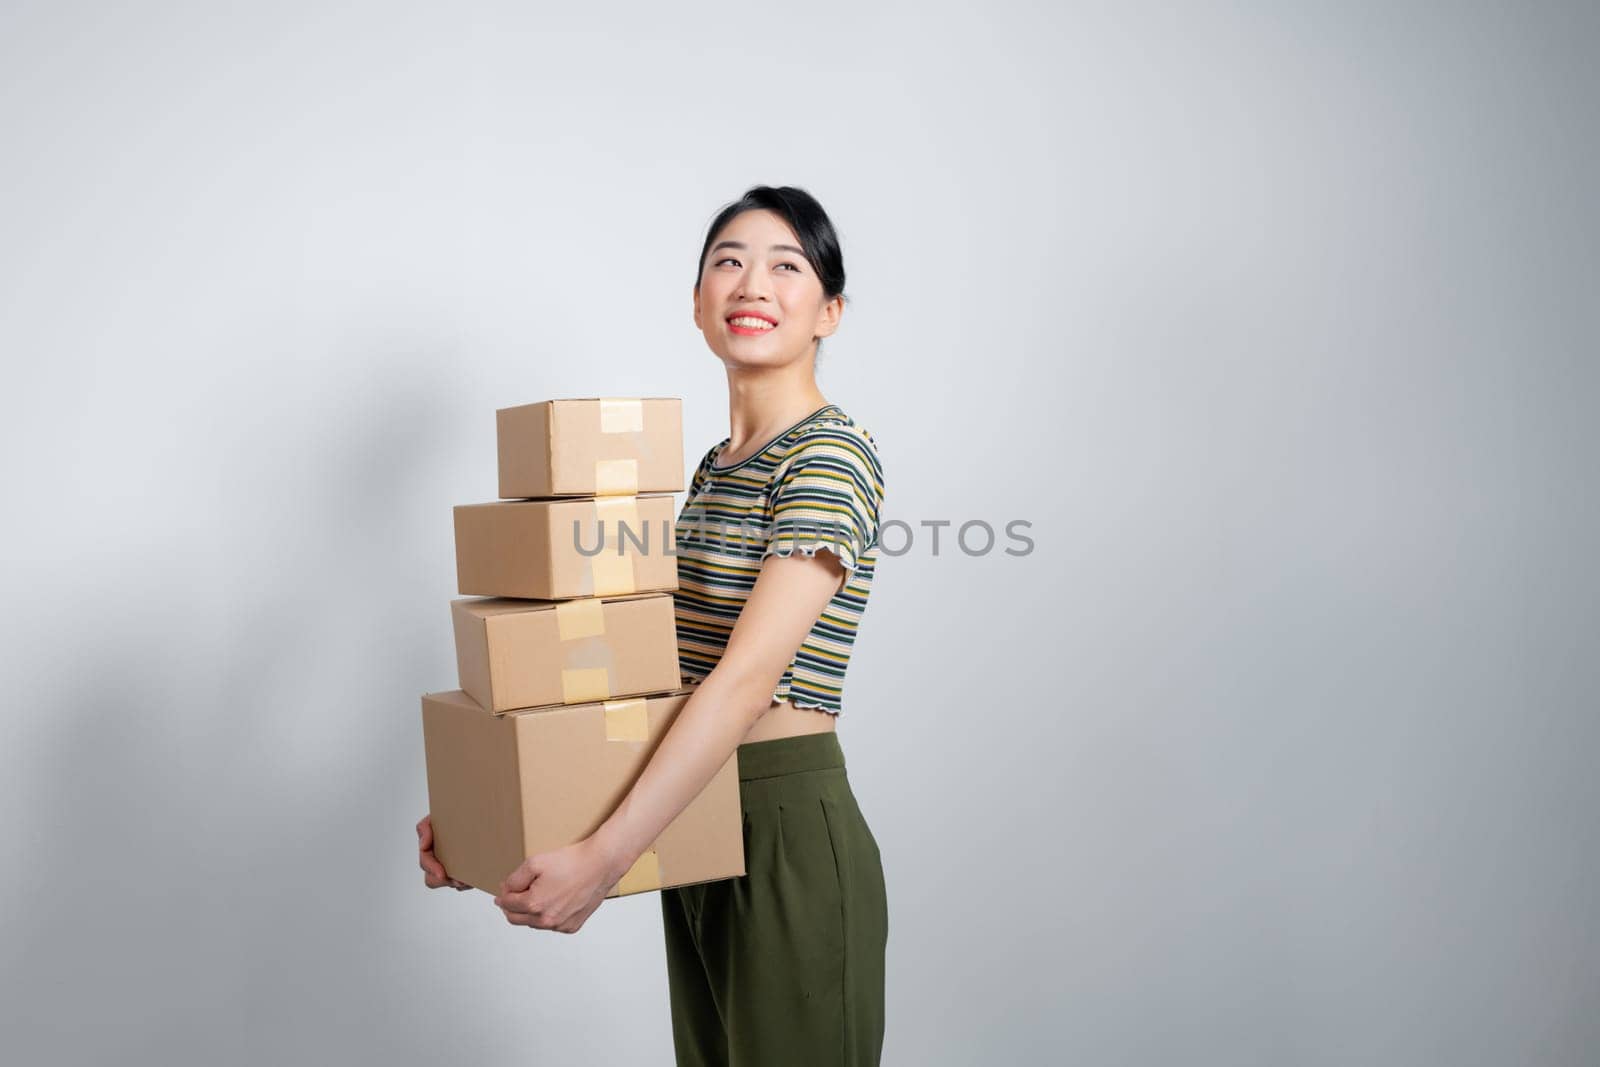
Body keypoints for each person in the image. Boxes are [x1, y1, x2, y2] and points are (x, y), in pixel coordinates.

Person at [418, 184, 889, 1066]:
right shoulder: (716, 468)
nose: (753, 283)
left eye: (787, 266)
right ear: (698, 304)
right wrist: (491, 822)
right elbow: (644, 680)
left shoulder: (830, 453)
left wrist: (602, 859)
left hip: (783, 821)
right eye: (728, 262)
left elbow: (745, 682)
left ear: (829, 310)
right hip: (695, 811)